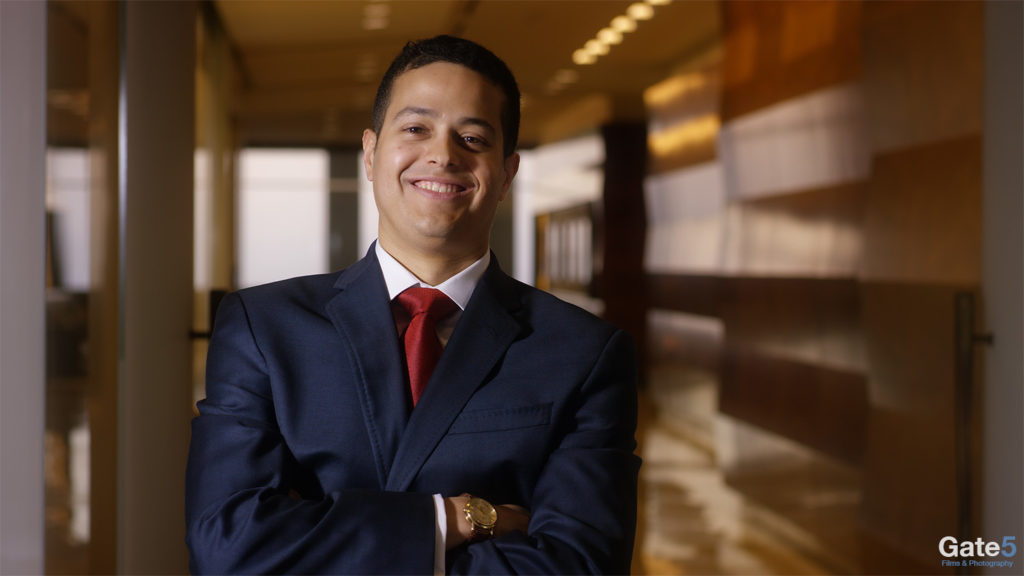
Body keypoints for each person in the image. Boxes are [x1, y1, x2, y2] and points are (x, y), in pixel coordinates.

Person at [185, 35, 640, 575]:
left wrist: (317, 541)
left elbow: (579, 565)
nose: (443, 155)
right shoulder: (264, 327)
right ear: (372, 154)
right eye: (416, 129)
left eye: (472, 137)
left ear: (507, 174)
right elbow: (226, 543)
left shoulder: (583, 352)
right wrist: (454, 520)